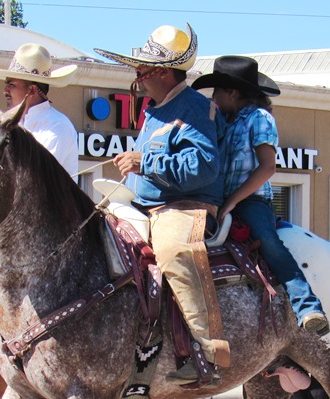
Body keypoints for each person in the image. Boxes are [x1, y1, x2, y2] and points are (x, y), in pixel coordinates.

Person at [95, 24, 230, 384]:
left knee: (172, 251)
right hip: (146, 205)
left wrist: (145, 163)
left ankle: (208, 353)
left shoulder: (198, 108)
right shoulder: (154, 110)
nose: (136, 76)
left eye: (140, 69)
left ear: (163, 72)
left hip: (186, 207)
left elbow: (204, 167)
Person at [192, 55, 329, 336]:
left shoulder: (259, 118)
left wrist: (233, 201)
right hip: (219, 200)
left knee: (268, 242)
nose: (213, 98)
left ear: (232, 92)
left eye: (217, 92)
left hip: (251, 200)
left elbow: (267, 167)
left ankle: (307, 305)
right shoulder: (224, 121)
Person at [0, 43, 80, 181]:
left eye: (11, 85)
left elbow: (36, 179)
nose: (5, 91)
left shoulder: (57, 126)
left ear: (32, 90)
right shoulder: (16, 125)